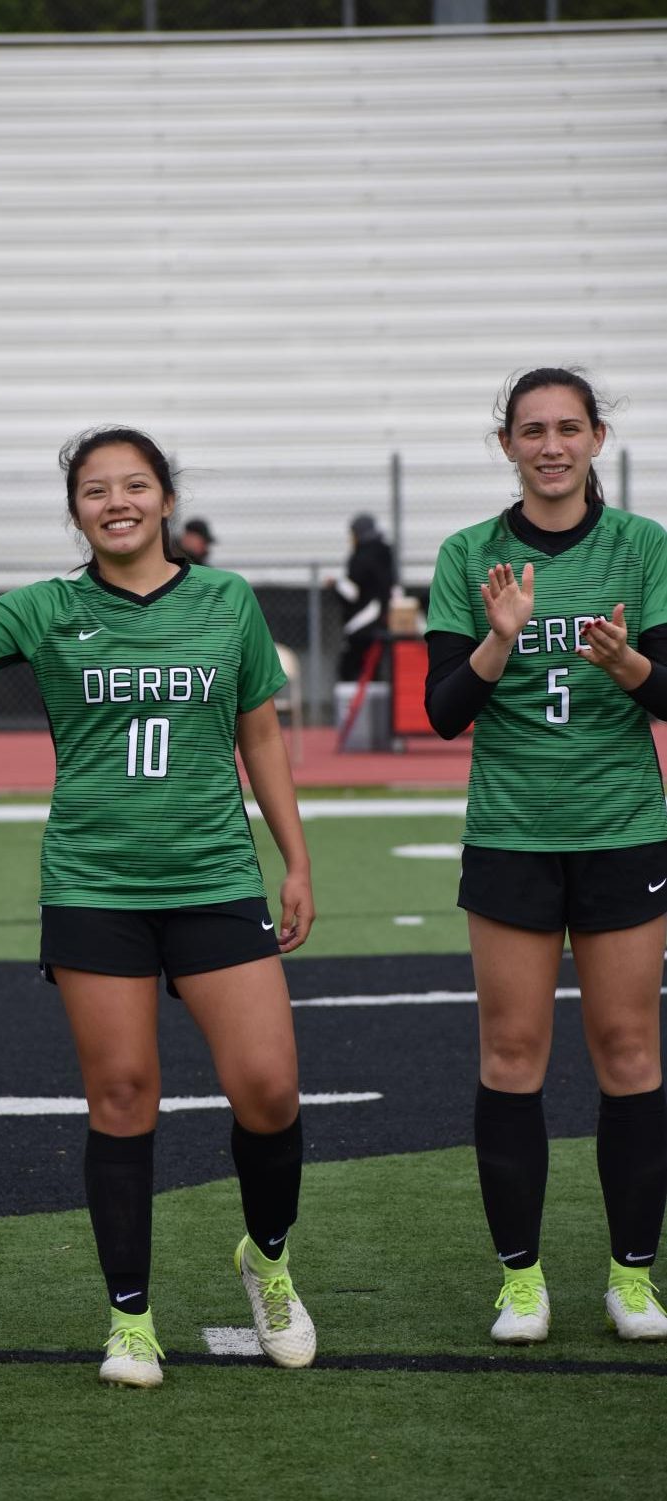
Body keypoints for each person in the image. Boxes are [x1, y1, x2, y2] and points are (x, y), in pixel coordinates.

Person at [0, 425, 317, 1387]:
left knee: (267, 1091)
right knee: (122, 1096)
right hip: (95, 884)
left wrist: (293, 858)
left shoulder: (225, 601)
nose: (116, 501)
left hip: (216, 878)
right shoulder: (52, 608)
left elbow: (259, 736)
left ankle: (265, 1257)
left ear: (166, 499)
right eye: (95, 490)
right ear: (76, 511)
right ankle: (129, 1316)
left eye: (134, 485)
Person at [424, 367, 667, 1344]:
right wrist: (496, 642)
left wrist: (628, 666)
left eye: (568, 427)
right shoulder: (468, 554)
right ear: (506, 445)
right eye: (532, 429)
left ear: (597, 438)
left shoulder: (641, 546)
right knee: (511, 1054)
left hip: (619, 831)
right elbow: (443, 711)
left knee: (627, 1051)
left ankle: (631, 1273)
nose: (551, 444)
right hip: (511, 834)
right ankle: (519, 1278)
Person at [332, 513, 395, 681]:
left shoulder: (360, 557)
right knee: (374, 672)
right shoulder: (385, 553)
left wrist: (335, 585)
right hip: (381, 620)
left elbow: (351, 593)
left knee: (349, 669)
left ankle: (354, 707)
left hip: (361, 623)